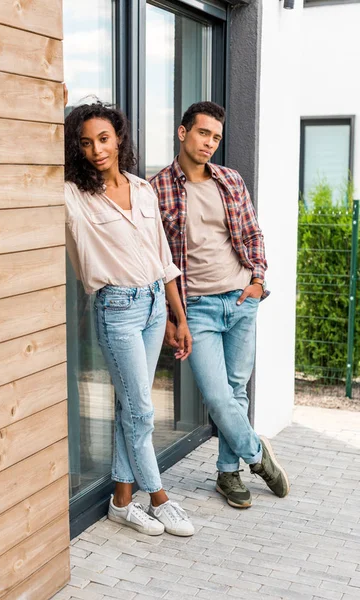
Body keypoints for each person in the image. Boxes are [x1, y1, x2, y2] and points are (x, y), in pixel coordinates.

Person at [64, 100, 195, 536]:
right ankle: (160, 497)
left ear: (119, 138)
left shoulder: (142, 189)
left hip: (156, 303)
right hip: (116, 309)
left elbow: (164, 258)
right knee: (141, 410)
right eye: (85, 143)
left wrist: (180, 318)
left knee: (128, 406)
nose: (97, 150)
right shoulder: (74, 196)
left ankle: (121, 501)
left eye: (104, 139)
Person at [150, 101, 290, 509]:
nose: (209, 142)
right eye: (202, 133)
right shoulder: (158, 189)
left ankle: (228, 475)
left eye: (215, 136)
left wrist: (258, 283)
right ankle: (257, 455)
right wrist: (177, 317)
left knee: (235, 391)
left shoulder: (230, 181)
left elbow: (253, 235)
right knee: (216, 396)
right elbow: (162, 263)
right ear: (182, 132)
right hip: (198, 308)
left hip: (241, 299)